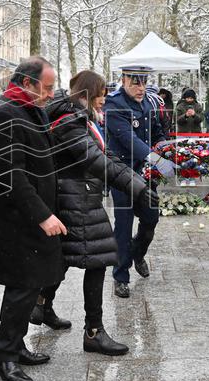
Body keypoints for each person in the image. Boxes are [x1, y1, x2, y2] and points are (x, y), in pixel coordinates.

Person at [34, 70, 157, 355]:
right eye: (101, 95)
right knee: (98, 258)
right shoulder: (69, 122)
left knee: (67, 256)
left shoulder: (78, 118)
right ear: (87, 95)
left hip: (76, 194)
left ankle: (41, 304)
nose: (104, 100)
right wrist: (136, 187)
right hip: (74, 196)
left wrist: (137, 183)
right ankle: (93, 332)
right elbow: (94, 160)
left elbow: (104, 154)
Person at [0, 57, 65, 381]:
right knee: (23, 284)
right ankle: (4, 358)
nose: (52, 94)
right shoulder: (5, 114)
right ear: (28, 84)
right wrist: (42, 215)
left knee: (26, 285)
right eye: (49, 87)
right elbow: (10, 174)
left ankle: (15, 346)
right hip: (10, 217)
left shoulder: (26, 109)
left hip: (22, 214)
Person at [104, 64, 175, 298]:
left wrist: (166, 147)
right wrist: (156, 159)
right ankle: (120, 276)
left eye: (144, 82)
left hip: (144, 173)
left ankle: (137, 252)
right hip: (122, 172)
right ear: (123, 80)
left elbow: (156, 131)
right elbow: (128, 138)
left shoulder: (148, 103)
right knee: (123, 224)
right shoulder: (114, 104)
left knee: (151, 218)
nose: (141, 87)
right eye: (135, 82)